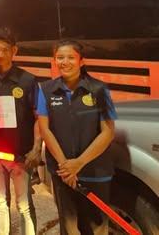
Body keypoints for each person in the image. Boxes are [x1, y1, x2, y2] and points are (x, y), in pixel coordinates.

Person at [38, 40, 116, 235]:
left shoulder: (99, 89)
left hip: (95, 171)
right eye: (60, 57)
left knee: (97, 226)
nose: (65, 62)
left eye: (71, 57)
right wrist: (66, 167)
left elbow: (108, 132)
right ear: (54, 60)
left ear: (81, 61)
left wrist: (79, 163)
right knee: (69, 226)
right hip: (63, 173)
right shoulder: (46, 90)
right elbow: (45, 129)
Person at [0, 28, 40, 235]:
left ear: (14, 51)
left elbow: (39, 117)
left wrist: (37, 148)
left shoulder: (28, 80)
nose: (0, 54)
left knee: (24, 205)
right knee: (0, 202)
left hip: (20, 154)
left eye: (4, 50)